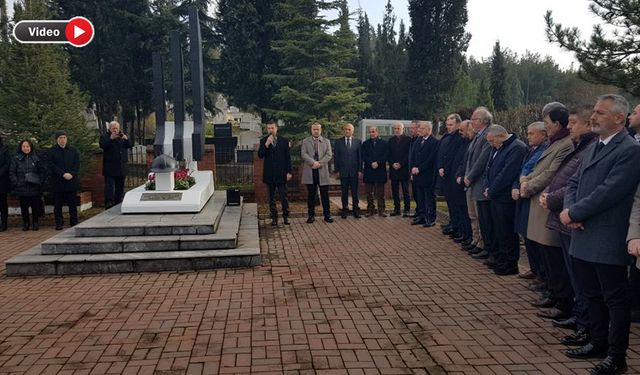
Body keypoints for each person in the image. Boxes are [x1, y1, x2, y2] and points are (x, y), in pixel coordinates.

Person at [563, 94, 640, 375]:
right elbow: (574, 182)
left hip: (607, 235)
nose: (593, 117)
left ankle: (616, 356)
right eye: (594, 112)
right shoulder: (595, 146)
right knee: (590, 293)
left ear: (619, 118)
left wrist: (574, 213)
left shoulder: (629, 150)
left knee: (614, 299)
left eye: (600, 113)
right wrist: (570, 209)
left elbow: (610, 192)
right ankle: (597, 342)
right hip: (582, 232)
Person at [540, 105, 597, 345]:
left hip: (572, 219)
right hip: (564, 215)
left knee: (583, 280)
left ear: (588, 125)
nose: (570, 127)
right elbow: (571, 180)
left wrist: (553, 199)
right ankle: (580, 319)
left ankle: (587, 327)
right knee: (576, 278)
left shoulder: (588, 149)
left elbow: (581, 185)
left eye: (574, 123)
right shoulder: (580, 147)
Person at [522, 104, 575, 321]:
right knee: (546, 253)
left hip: (548, 202)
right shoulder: (552, 143)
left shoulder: (565, 145)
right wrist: (526, 180)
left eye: (548, 124)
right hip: (539, 201)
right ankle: (553, 293)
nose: (547, 128)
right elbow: (536, 168)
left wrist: (529, 185)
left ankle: (561, 300)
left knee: (554, 256)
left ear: (557, 124)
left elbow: (551, 173)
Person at [484, 125, 528, 275]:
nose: (491, 144)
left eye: (491, 141)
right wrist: (488, 187)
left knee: (507, 231)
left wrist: (492, 189)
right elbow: (490, 168)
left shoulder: (517, 148)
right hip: (496, 195)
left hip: (505, 197)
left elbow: (507, 173)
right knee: (499, 230)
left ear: (501, 135)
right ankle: (501, 258)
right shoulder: (500, 147)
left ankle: (510, 263)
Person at [513, 122, 548, 281]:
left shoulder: (545, 151)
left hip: (533, 195)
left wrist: (524, 183)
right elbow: (521, 169)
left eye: (532, 134)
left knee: (534, 236)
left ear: (543, 134)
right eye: (528, 133)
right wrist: (517, 185)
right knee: (526, 234)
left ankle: (541, 272)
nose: (528, 137)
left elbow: (535, 171)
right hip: (523, 192)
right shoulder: (530, 150)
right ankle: (535, 269)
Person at [464, 107, 493, 260]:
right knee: (473, 215)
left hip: (479, 183)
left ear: (481, 121)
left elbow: (482, 160)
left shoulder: (487, 136)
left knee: (482, 217)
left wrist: (470, 176)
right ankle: (477, 241)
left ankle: (484, 244)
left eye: (474, 119)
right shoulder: (477, 136)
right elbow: (469, 159)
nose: (471, 122)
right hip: (471, 182)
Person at [438, 114, 469, 242]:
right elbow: (442, 154)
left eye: (451, 125)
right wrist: (440, 166)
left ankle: (459, 228)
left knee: (458, 205)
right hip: (446, 174)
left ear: (458, 124)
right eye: (447, 125)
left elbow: (456, 157)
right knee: (451, 202)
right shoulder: (447, 137)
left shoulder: (460, 139)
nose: (448, 127)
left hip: (454, 175)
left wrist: (449, 169)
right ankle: (454, 224)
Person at [258, 120, 292, 226]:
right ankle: (274, 217)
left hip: (282, 174)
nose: (270, 130)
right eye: (269, 128)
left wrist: (289, 172)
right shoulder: (264, 140)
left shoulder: (284, 141)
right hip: (270, 174)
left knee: (283, 196)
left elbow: (288, 158)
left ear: (276, 128)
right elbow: (260, 155)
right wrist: (266, 144)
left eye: (272, 128)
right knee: (271, 198)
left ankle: (286, 216)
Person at [456, 121, 484, 253]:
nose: (466, 133)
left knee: (478, 216)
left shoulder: (479, 142)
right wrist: (461, 174)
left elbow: (479, 163)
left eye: (468, 130)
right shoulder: (471, 143)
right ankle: (475, 239)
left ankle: (481, 243)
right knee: (472, 215)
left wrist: (469, 177)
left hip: (475, 183)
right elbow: (465, 162)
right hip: (468, 183)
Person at [10, 139, 47, 231]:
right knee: (24, 207)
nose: (26, 148)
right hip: (21, 187)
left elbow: (42, 171)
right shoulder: (16, 159)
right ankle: (26, 223)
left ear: (30, 147)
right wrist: (16, 182)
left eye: (27, 146)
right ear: (21, 147)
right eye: (24, 146)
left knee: (35, 207)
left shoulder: (36, 158)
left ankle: (35, 222)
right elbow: (12, 172)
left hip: (34, 187)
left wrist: (40, 181)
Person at [301, 122, 333, 223]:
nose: (316, 131)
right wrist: (313, 162)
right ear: (311, 130)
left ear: (320, 130)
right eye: (314, 129)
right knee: (311, 195)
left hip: (322, 171)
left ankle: (327, 215)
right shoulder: (306, 141)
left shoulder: (326, 141)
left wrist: (319, 163)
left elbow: (329, 155)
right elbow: (303, 154)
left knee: (325, 195)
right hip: (310, 171)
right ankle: (311, 216)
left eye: (317, 129)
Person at [48, 130, 81, 230]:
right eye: (60, 138)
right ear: (56, 140)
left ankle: (74, 221)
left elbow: (77, 164)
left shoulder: (73, 150)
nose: (62, 140)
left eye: (64, 138)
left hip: (71, 181)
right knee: (58, 205)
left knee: (72, 203)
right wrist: (62, 174)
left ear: (67, 139)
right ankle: (59, 223)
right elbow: (51, 165)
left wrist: (71, 173)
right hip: (58, 182)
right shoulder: (52, 151)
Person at [410, 121, 439, 227]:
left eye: (421, 128)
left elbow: (431, 159)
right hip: (417, 175)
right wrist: (412, 168)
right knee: (420, 197)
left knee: (429, 198)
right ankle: (421, 216)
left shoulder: (434, 142)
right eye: (419, 128)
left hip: (427, 175)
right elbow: (412, 155)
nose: (419, 130)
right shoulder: (418, 140)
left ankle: (430, 218)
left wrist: (420, 168)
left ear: (428, 129)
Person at [99, 121, 134, 208]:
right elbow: (103, 145)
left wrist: (126, 139)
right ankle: (109, 202)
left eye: (117, 128)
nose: (115, 130)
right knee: (109, 186)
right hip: (110, 167)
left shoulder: (122, 136)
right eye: (113, 128)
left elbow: (130, 145)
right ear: (110, 129)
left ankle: (118, 201)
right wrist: (111, 139)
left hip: (121, 166)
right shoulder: (105, 136)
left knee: (120, 186)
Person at [334, 123, 362, 219]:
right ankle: (345, 209)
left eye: (349, 129)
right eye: (346, 129)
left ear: (352, 131)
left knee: (355, 192)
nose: (347, 131)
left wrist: (360, 170)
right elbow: (336, 157)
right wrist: (337, 170)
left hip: (354, 171)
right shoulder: (338, 142)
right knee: (344, 192)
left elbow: (360, 157)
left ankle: (356, 210)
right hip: (343, 171)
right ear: (343, 130)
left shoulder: (358, 142)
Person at [361, 126, 389, 217]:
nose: (372, 133)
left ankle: (382, 210)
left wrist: (378, 162)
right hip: (369, 170)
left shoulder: (384, 143)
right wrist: (371, 163)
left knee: (380, 193)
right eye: (370, 132)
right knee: (369, 193)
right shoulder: (365, 144)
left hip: (380, 170)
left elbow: (386, 155)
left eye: (373, 131)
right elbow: (363, 156)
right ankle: (370, 210)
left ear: (377, 132)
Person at [387, 122, 411, 217]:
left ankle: (407, 209)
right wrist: (392, 163)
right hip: (394, 169)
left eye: (398, 128)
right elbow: (388, 154)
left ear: (403, 129)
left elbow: (408, 155)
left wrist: (401, 164)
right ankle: (397, 209)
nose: (397, 130)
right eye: (395, 129)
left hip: (404, 169)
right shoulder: (391, 140)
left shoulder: (408, 140)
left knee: (406, 191)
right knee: (395, 191)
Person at [0, 137, 10, 231]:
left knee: (2, 203)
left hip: (1, 181)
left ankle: (4, 223)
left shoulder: (4, 149)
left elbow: (7, 164)